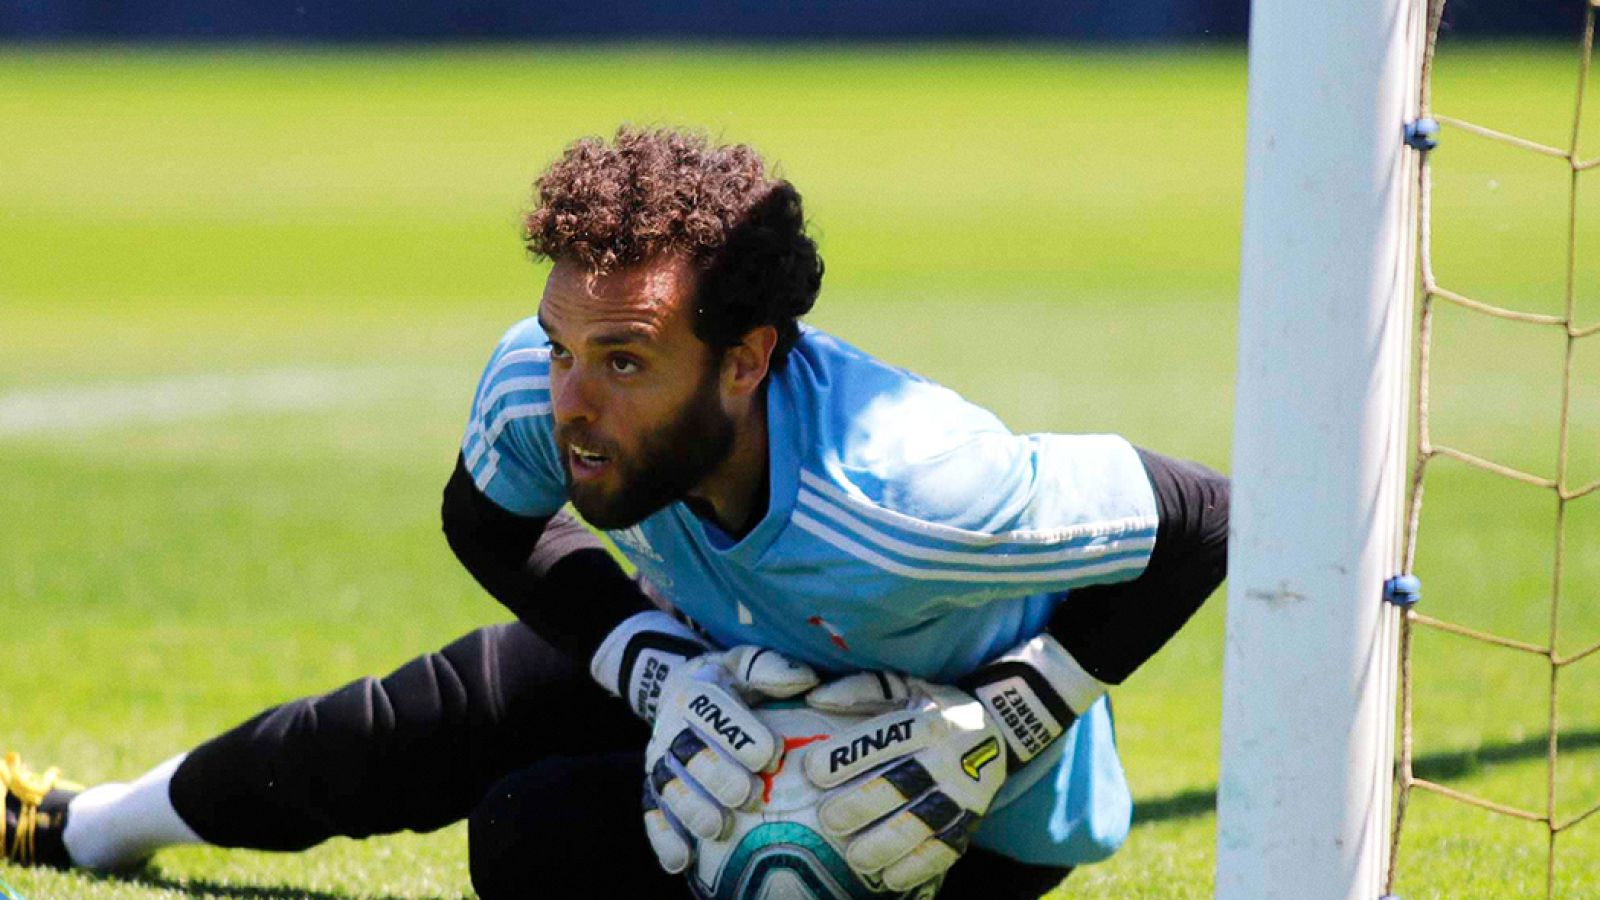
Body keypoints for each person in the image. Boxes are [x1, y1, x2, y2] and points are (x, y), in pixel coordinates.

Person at [1, 127, 1227, 899]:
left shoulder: (915, 491)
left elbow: (1210, 517)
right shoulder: (545, 387)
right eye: (558, 344)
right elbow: (489, 523)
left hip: (957, 785)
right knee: (442, 710)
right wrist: (650, 668)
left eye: (625, 361)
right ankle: (84, 827)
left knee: (532, 843)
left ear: (745, 360)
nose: (572, 400)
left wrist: (1020, 710)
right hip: (722, 653)